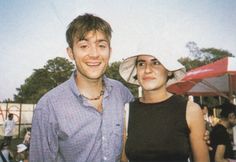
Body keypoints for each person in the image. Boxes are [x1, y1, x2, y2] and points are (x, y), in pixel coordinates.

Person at [29, 13, 133, 162]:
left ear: (110, 51)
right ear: (71, 53)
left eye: (101, 45)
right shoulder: (48, 106)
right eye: (84, 46)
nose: (94, 54)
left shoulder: (122, 93)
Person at [119, 45, 210, 162]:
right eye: (141, 64)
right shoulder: (127, 111)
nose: (147, 70)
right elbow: (123, 159)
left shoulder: (190, 110)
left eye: (156, 63)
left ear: (169, 71)